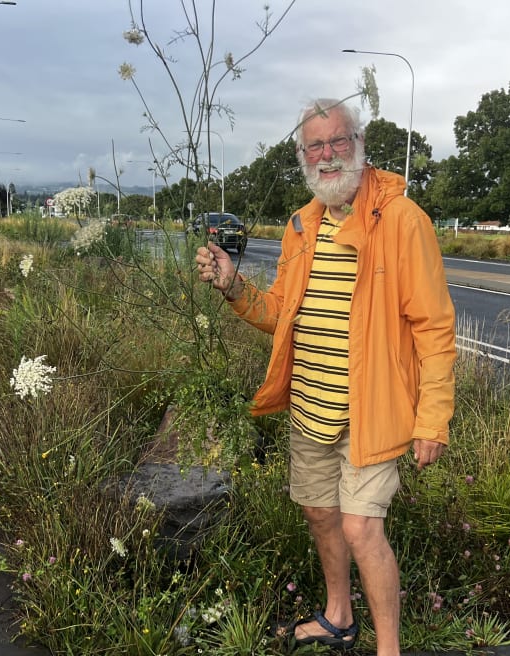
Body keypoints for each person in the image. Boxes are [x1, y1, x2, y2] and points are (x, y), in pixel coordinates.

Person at [195, 97, 456, 655]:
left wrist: (432, 418)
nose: (328, 154)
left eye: (339, 141)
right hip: (310, 409)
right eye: (316, 145)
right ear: (302, 155)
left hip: (373, 413)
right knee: (321, 514)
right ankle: (339, 617)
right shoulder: (301, 226)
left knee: (362, 530)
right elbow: (279, 313)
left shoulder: (403, 221)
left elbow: (434, 328)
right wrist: (234, 286)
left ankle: (390, 650)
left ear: (359, 145)